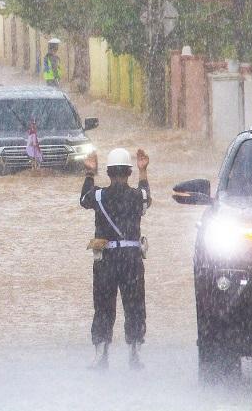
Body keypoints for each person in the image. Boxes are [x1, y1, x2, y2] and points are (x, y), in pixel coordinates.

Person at [80, 147, 151, 370]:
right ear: (128, 172)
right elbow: (146, 200)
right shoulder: (137, 195)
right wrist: (144, 172)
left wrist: (90, 173)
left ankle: (101, 355)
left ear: (108, 173)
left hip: (106, 260)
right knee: (135, 306)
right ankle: (134, 354)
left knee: (103, 307)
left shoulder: (99, 196)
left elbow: (83, 199)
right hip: (131, 259)